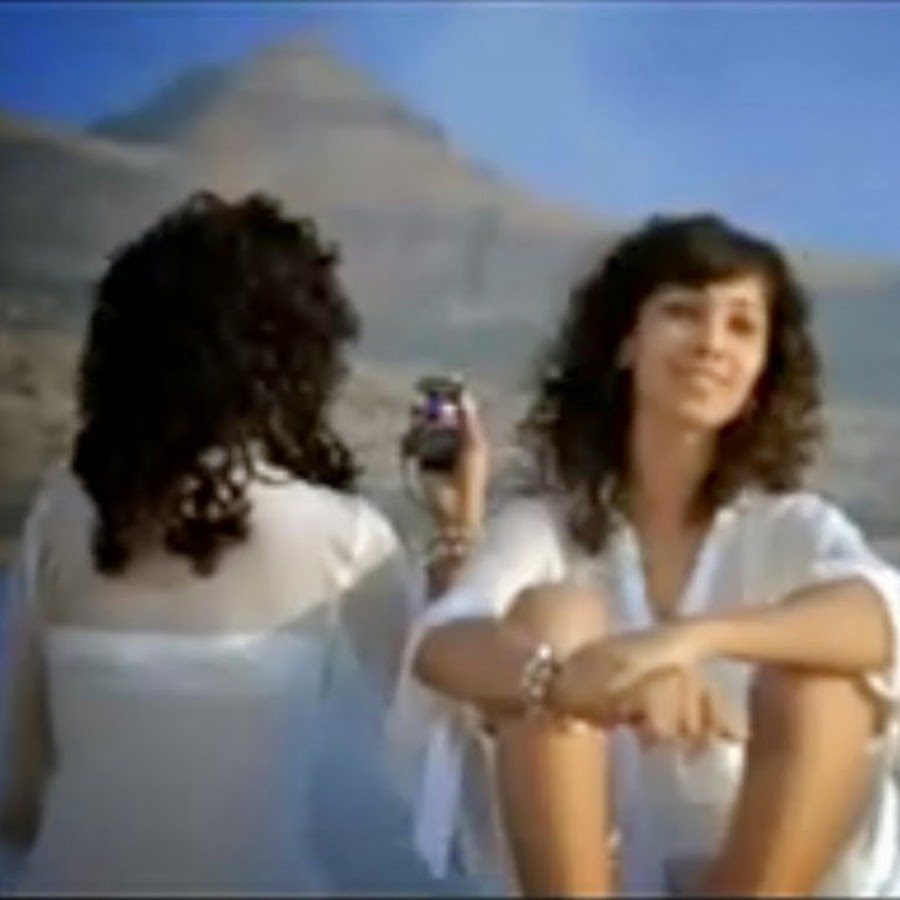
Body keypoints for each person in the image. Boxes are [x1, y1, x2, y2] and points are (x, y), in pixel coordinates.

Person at [387, 213, 900, 896]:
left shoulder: (788, 528)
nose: (711, 343)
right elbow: (443, 641)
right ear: (628, 342)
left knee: (824, 681)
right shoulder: (550, 525)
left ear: (759, 374)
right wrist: (564, 679)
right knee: (555, 616)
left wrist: (681, 643)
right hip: (606, 864)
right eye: (683, 312)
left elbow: (883, 615)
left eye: (741, 326)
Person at [0, 192, 413, 893]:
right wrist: (459, 530)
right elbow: (435, 767)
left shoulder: (57, 518)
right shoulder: (346, 539)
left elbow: (17, 800)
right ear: (297, 359)